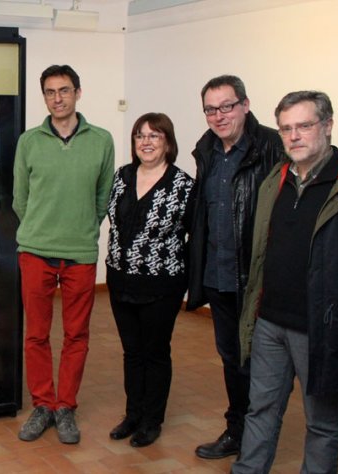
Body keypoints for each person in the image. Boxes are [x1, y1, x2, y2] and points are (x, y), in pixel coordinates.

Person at [232, 91, 338, 473]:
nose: (294, 136)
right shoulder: (274, 181)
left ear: (327, 126)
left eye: (304, 126)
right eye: (286, 129)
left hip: (322, 330)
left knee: (324, 425)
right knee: (260, 408)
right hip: (270, 322)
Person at [13, 64, 115, 444]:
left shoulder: (101, 140)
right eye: (50, 92)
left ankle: (65, 406)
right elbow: (20, 199)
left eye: (64, 90)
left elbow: (103, 196)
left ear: (78, 93)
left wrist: (83, 228)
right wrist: (41, 228)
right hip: (36, 251)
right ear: (44, 97)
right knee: (36, 335)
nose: (58, 98)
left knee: (77, 335)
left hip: (81, 252)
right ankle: (43, 405)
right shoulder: (29, 141)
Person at [186, 75, 283, 459]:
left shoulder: (273, 146)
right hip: (219, 277)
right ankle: (238, 432)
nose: (219, 115)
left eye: (227, 106)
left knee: (263, 365)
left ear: (245, 104)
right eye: (211, 108)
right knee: (232, 360)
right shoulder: (206, 150)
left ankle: (259, 443)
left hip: (260, 280)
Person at [105, 113, 195, 448]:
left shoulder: (183, 185)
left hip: (161, 286)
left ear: (168, 142)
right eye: (140, 135)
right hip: (119, 280)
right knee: (131, 352)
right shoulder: (123, 177)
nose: (146, 142)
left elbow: (193, 236)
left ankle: (151, 420)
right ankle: (133, 414)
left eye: (154, 136)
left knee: (155, 352)